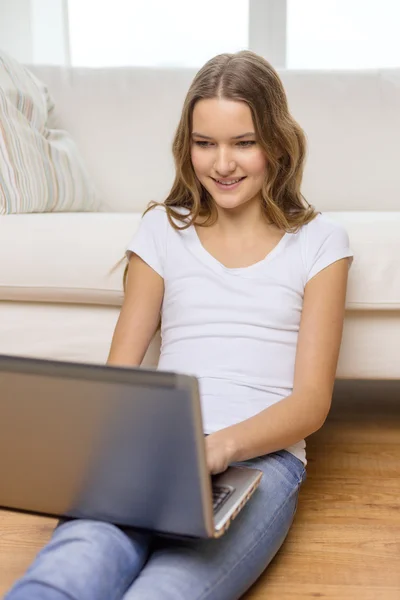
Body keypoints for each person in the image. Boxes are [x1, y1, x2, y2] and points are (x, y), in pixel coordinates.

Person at [6, 50, 353, 600]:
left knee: (167, 590)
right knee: (68, 572)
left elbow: (311, 403)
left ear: (277, 142)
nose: (222, 163)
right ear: (185, 145)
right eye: (205, 142)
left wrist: (218, 447)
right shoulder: (162, 231)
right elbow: (119, 377)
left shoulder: (321, 242)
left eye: (244, 142)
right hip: (150, 452)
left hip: (258, 464)